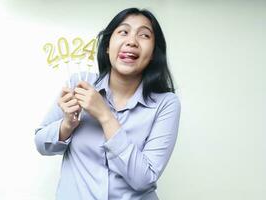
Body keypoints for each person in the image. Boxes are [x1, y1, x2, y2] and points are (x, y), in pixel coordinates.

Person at [35, 7, 181, 200]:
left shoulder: (166, 104)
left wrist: (104, 115)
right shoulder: (80, 83)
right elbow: (41, 144)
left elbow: (143, 179)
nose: (131, 41)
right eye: (123, 32)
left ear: (154, 52)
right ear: (107, 45)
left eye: (144, 35)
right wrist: (67, 125)